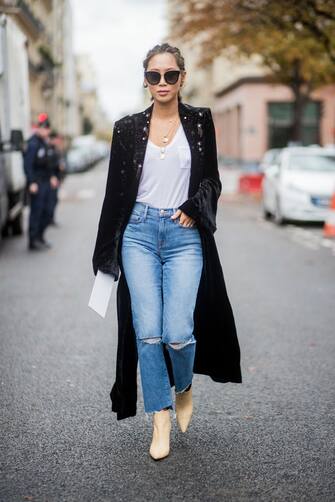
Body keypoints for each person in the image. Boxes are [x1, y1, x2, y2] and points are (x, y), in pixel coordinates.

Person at [92, 43, 242, 461]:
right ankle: (159, 418)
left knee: (178, 332)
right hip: (138, 234)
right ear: (145, 79)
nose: (162, 82)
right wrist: (105, 255)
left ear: (182, 78)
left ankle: (184, 384)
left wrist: (195, 208)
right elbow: (114, 196)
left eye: (170, 75)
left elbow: (211, 180)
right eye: (155, 75)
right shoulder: (125, 129)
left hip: (183, 237)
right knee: (148, 332)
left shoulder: (199, 122)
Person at [24, 113, 58, 250]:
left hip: (46, 182)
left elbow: (48, 163)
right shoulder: (32, 143)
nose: (44, 131)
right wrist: (31, 182)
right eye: (42, 128)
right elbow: (28, 165)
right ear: (38, 129)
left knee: (48, 211)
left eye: (46, 129)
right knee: (36, 212)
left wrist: (52, 176)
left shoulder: (45, 143)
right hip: (36, 183)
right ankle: (33, 240)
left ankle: (40, 236)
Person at [47, 130, 64, 226]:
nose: (58, 141)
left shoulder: (56, 149)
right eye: (56, 139)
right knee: (51, 200)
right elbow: (49, 165)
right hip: (51, 179)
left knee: (54, 200)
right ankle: (49, 219)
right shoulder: (49, 149)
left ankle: (51, 218)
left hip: (56, 178)